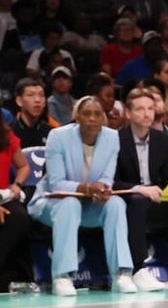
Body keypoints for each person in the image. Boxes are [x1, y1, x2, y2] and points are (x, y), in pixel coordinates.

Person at [28, 97, 138, 296]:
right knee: (70, 204)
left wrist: (104, 190)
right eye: (87, 114)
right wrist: (88, 188)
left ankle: (122, 274)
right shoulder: (58, 136)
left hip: (89, 205)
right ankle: (62, 276)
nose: (92, 119)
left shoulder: (112, 137)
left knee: (116, 204)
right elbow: (56, 183)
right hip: (52, 203)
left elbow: (107, 177)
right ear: (77, 117)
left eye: (97, 114)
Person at [113, 88, 168, 291]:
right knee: (138, 200)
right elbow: (112, 182)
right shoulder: (116, 140)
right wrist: (139, 188)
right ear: (128, 113)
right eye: (140, 109)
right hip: (129, 201)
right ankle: (138, 270)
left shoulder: (162, 139)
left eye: (150, 109)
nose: (146, 114)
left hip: (158, 200)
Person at [0, 118, 33, 290]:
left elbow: (23, 166)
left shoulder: (7, 136)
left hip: (3, 195)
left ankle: (16, 277)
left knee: (19, 217)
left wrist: (17, 184)